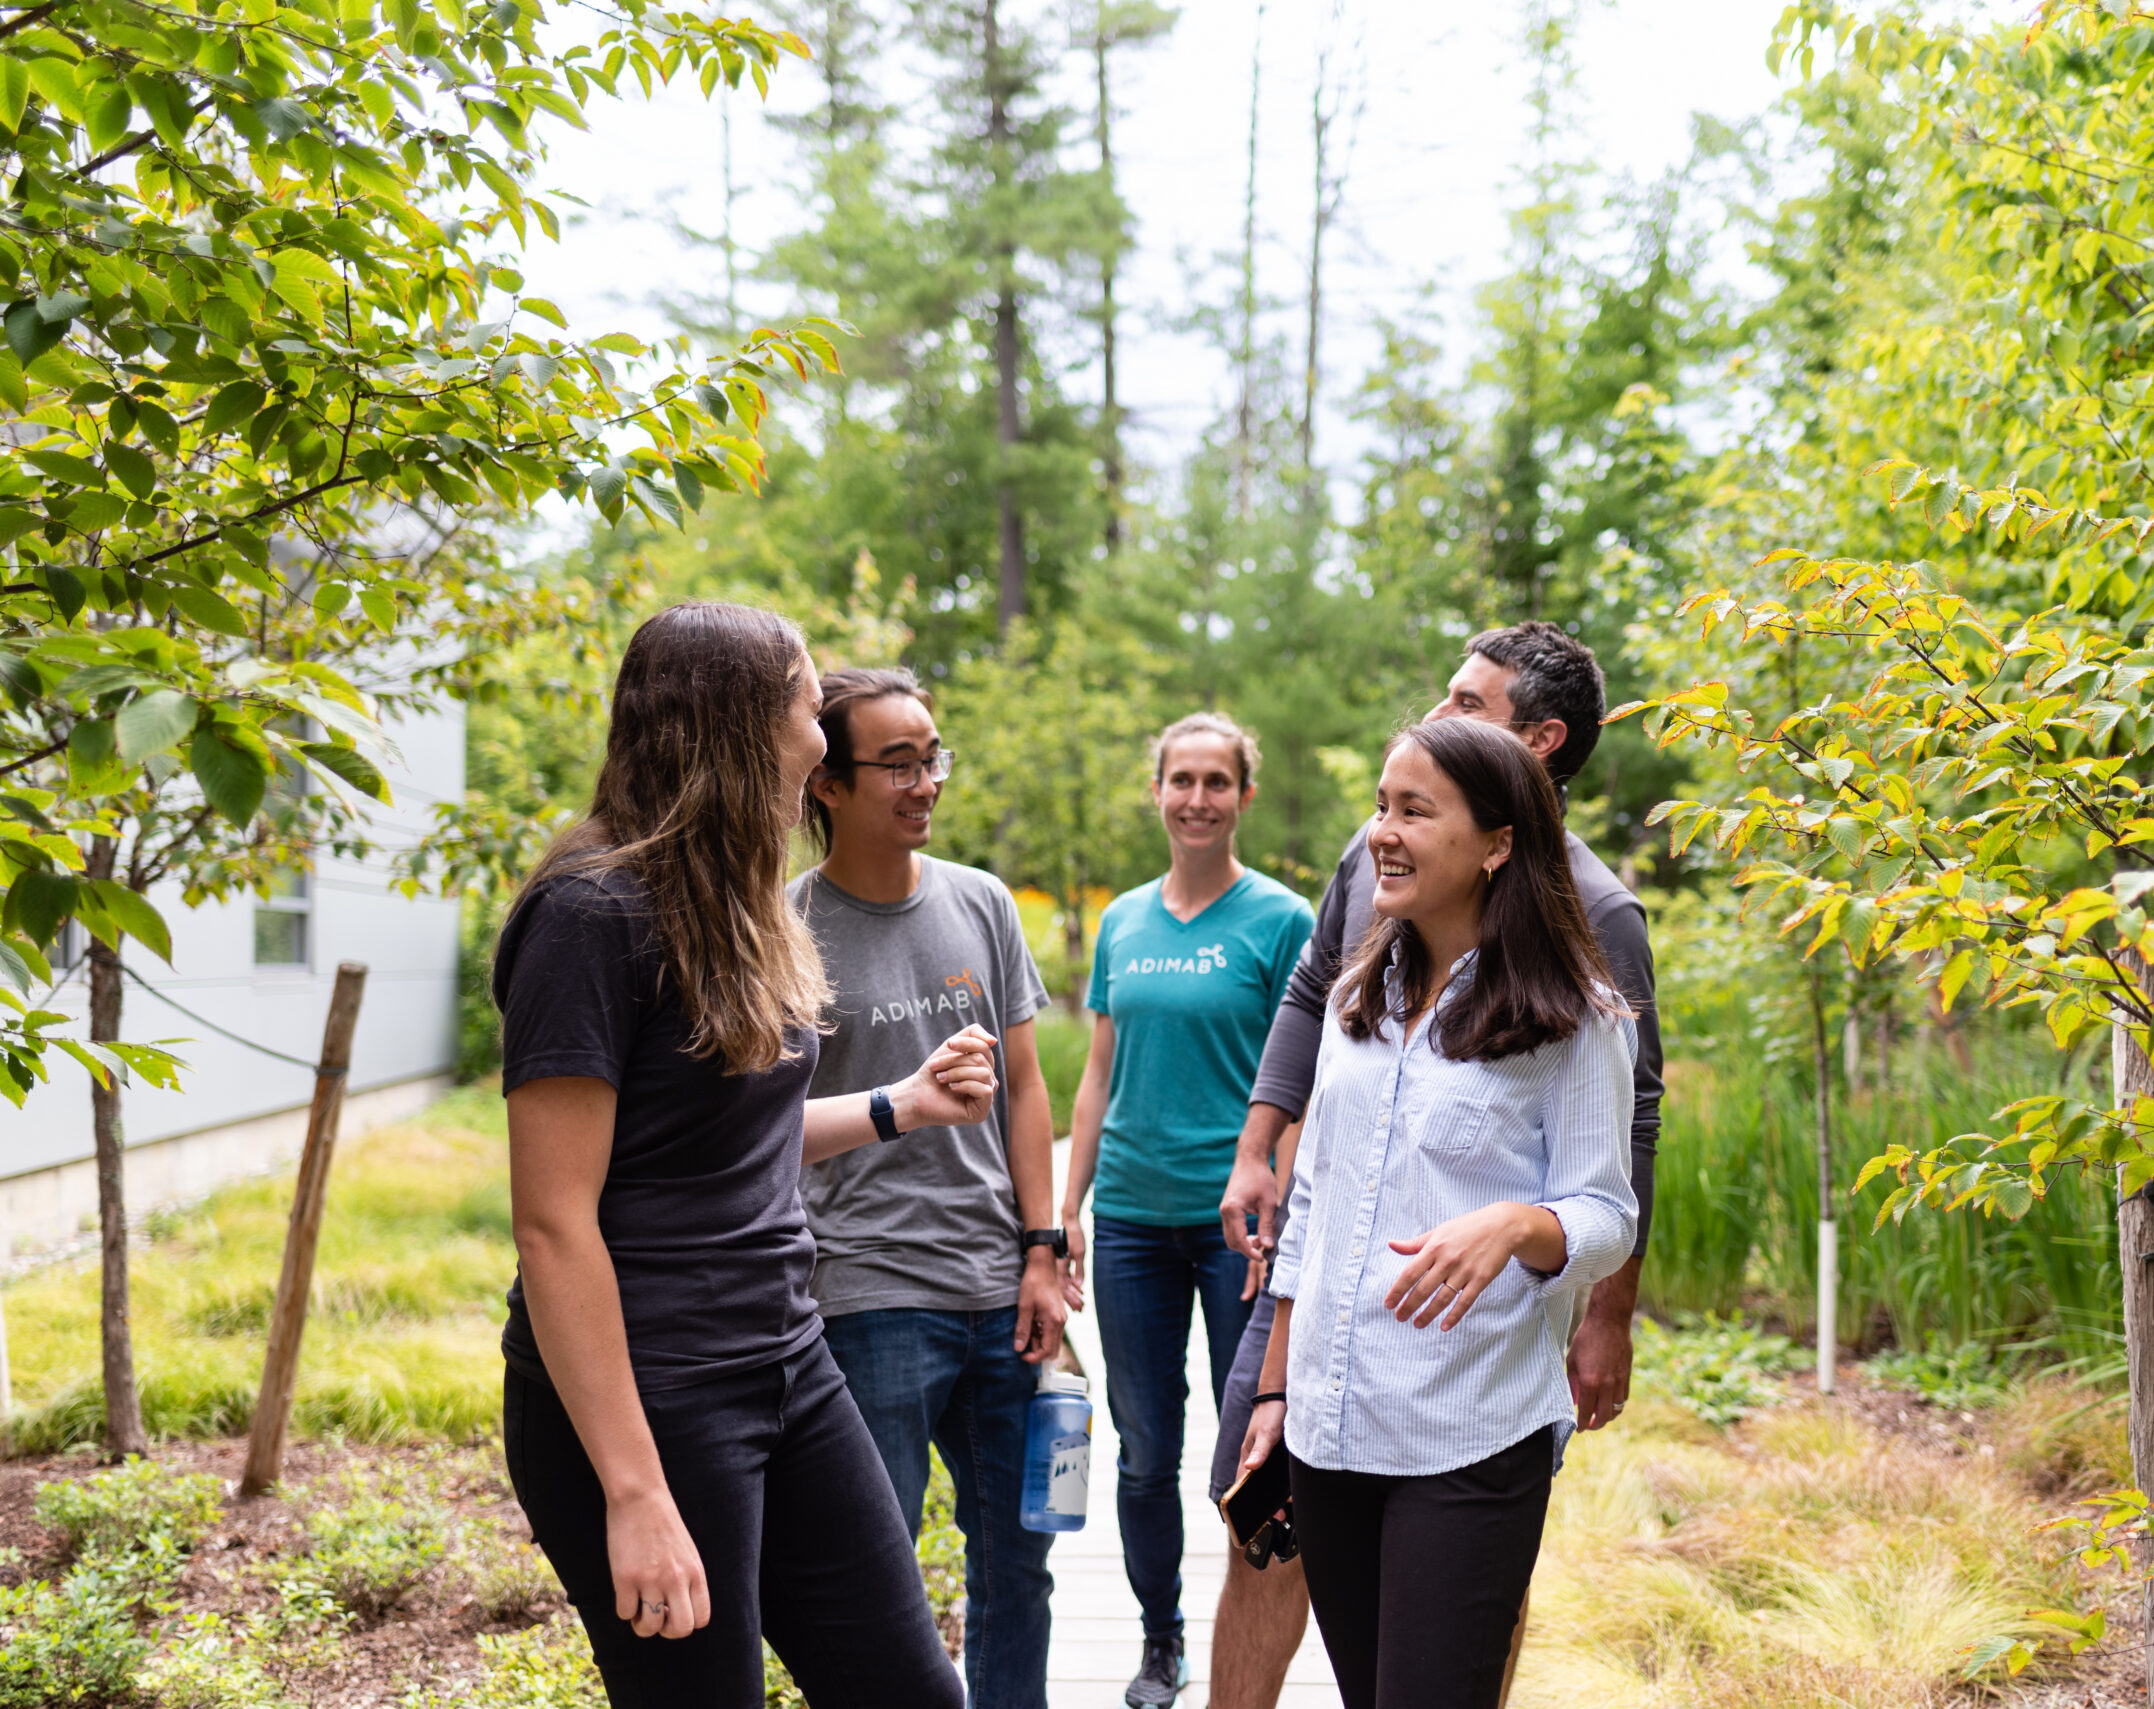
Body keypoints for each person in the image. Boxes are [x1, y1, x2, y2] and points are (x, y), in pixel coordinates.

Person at [493, 602, 999, 1709]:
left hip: (787, 1358)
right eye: (804, 704)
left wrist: (900, 1106)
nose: (823, 731)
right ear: (735, 726)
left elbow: (733, 1139)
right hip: (654, 1393)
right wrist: (634, 1490)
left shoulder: (733, 898)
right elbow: (552, 1222)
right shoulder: (589, 914)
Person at [1206, 621, 1664, 1709]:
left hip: (1468, 1432)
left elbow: (1606, 1208)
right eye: (1380, 806)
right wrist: (1273, 1386)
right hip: (1326, 1429)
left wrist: (1520, 1225)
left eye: (1414, 812)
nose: (1380, 836)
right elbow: (1312, 1203)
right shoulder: (1368, 991)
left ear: (1497, 840)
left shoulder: (1579, 1010)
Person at [788, 666, 1068, 1709]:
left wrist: (1044, 1247)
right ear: (827, 780)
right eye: (897, 762)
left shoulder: (982, 901)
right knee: (876, 1572)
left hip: (1002, 1293)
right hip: (866, 1297)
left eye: (931, 755)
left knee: (1021, 1562)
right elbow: (765, 1131)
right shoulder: (786, 927)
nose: (924, 781)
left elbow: (1029, 1085)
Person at [1060, 712, 1314, 1709]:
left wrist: (1281, 1199)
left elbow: (1301, 1077)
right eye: (1182, 779)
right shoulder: (1123, 921)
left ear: (1245, 795)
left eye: (1218, 780)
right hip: (1127, 1218)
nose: (1198, 797)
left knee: (1247, 1443)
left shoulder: (1284, 919)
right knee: (1144, 1448)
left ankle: (1242, 1631)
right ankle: (1160, 1637)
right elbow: (1095, 1076)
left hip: (1236, 1231)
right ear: (1156, 791)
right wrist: (1064, 1207)